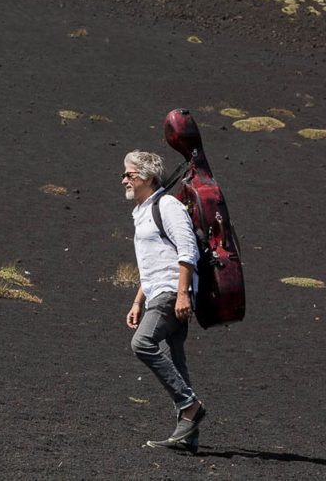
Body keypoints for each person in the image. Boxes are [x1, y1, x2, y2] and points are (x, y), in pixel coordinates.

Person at [122, 149, 206, 449]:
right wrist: (137, 301)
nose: (124, 181)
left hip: (173, 293)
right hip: (161, 291)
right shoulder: (143, 211)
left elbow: (187, 251)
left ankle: (189, 406)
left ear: (148, 177)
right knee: (177, 360)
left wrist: (183, 294)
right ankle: (188, 437)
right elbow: (155, 261)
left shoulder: (167, 205)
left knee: (142, 343)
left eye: (129, 175)